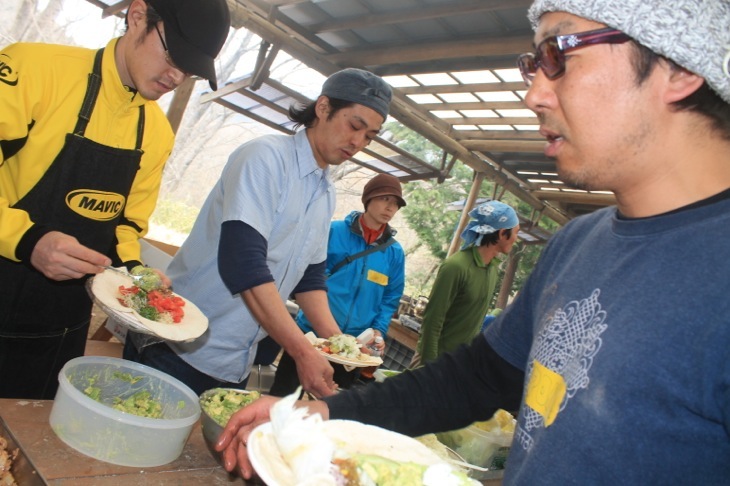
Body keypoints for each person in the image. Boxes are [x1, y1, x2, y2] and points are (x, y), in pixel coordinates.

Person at [214, 0, 730, 483]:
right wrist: (322, 410)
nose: (533, 95)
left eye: (559, 54)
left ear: (678, 67)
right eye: (534, 64)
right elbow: (476, 379)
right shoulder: (578, 244)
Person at [0, 0, 230, 400]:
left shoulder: (156, 133)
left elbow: (125, 224)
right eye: (174, 54)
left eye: (189, 71)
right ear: (137, 15)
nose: (176, 76)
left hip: (59, 328)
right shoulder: (32, 71)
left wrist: (136, 272)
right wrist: (27, 239)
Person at [123, 68, 394, 398]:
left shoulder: (325, 193)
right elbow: (243, 263)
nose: (358, 142)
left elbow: (309, 278)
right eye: (355, 125)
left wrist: (341, 346)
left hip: (234, 363)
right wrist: (301, 351)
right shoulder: (266, 158)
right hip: (179, 347)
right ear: (323, 108)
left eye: (369, 136)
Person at [269, 173, 407, 396]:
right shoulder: (333, 232)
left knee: (331, 408)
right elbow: (307, 278)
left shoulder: (395, 253)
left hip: (352, 349)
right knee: (283, 397)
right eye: (385, 199)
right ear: (368, 199)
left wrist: (378, 332)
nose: (390, 207)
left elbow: (390, 299)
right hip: (311, 336)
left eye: (396, 203)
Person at [409, 200, 519, 368]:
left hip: (458, 366)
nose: (516, 239)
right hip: (432, 362)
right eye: (516, 232)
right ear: (503, 233)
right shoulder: (456, 266)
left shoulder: (492, 270)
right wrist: (432, 367)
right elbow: (432, 322)